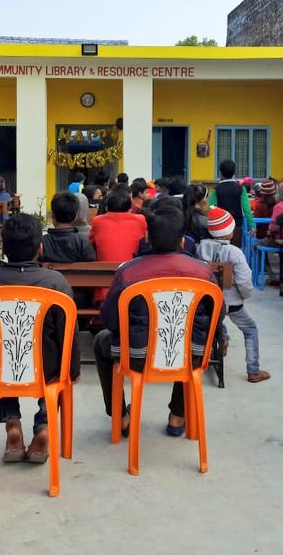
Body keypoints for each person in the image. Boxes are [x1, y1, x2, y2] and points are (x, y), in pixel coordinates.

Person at [94, 200, 223, 436]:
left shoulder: (128, 272)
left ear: (147, 238)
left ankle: (120, 417)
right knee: (187, 341)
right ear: (183, 241)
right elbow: (218, 316)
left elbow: (109, 319)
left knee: (101, 341)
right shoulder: (203, 272)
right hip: (191, 356)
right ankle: (178, 417)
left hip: (136, 357)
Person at [0, 214, 79, 463]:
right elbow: (68, 335)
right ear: (40, 247)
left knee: (1, 351)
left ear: (3, 246)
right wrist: (73, 370)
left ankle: (12, 422)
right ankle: (44, 426)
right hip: (45, 368)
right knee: (55, 361)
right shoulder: (56, 283)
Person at [197, 208, 269, 383]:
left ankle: (222, 336)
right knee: (250, 329)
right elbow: (244, 281)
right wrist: (244, 295)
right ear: (229, 231)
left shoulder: (201, 249)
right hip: (233, 303)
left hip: (210, 302)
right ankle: (253, 370)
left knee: (216, 319)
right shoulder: (234, 252)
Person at [89, 188, 147, 262]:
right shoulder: (140, 220)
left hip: (104, 266)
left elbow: (91, 243)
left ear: (106, 208)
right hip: (131, 267)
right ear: (130, 209)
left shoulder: (97, 221)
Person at [209, 159, 255, 246]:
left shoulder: (216, 189)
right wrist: (252, 225)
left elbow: (211, 208)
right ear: (234, 173)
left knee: (221, 251)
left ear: (220, 173)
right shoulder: (240, 188)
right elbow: (246, 209)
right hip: (236, 226)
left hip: (220, 227)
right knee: (235, 250)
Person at [40, 192, 96, 263]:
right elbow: (91, 264)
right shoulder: (83, 241)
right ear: (75, 217)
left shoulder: (42, 243)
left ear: (52, 215)